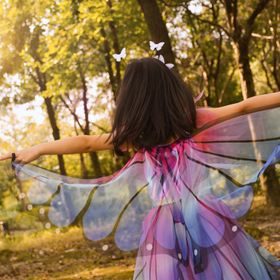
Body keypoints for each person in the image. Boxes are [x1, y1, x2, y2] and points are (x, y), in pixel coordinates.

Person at [1, 57, 280, 279]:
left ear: (133, 99)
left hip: (168, 224)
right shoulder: (190, 121)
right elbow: (245, 107)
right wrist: (35, 149)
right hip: (203, 215)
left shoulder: (138, 135)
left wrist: (36, 149)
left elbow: (85, 143)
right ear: (171, 89)